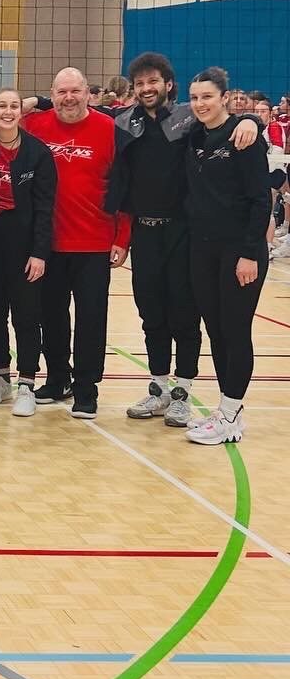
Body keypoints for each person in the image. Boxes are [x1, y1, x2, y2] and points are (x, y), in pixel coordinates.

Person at [106, 53, 256, 426]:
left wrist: (252, 120)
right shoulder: (125, 123)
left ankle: (182, 394)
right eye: (139, 83)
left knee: (184, 316)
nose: (146, 88)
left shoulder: (189, 119)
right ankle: (157, 388)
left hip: (185, 233)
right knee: (150, 313)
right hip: (145, 233)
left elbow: (227, 121)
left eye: (153, 81)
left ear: (168, 84)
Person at [23, 68, 130, 419]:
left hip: (94, 243)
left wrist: (122, 237)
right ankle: (57, 378)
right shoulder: (36, 125)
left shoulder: (109, 129)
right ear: (51, 95)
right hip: (48, 245)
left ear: (88, 93)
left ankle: (86, 388)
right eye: (61, 92)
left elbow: (123, 187)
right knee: (50, 316)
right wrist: (29, 104)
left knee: (90, 319)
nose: (68, 98)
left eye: (75, 91)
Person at [183, 67, 271, 444]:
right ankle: (227, 409)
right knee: (216, 330)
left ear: (224, 98)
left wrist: (251, 252)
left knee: (235, 329)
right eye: (196, 98)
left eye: (207, 97)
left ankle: (230, 413)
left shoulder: (243, 138)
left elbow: (259, 199)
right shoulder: (192, 135)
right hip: (202, 248)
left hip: (240, 250)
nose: (201, 104)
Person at [0, 89, 57, 418]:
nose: (7, 112)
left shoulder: (37, 153)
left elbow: (46, 207)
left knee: (26, 314)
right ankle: (1, 378)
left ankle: (26, 384)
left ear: (21, 112)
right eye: (1, 106)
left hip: (23, 245)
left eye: (13, 106)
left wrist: (40, 253)